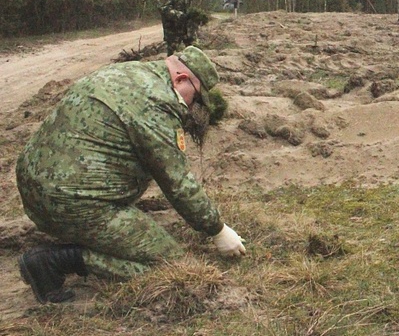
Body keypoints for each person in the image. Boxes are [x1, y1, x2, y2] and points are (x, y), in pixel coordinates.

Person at [16, 46, 245, 304]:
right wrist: (217, 230)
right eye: (196, 98)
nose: (195, 107)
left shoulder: (130, 72)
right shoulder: (158, 103)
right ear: (180, 79)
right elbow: (179, 184)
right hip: (71, 202)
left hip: (35, 186)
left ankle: (81, 232)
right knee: (171, 264)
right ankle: (55, 262)